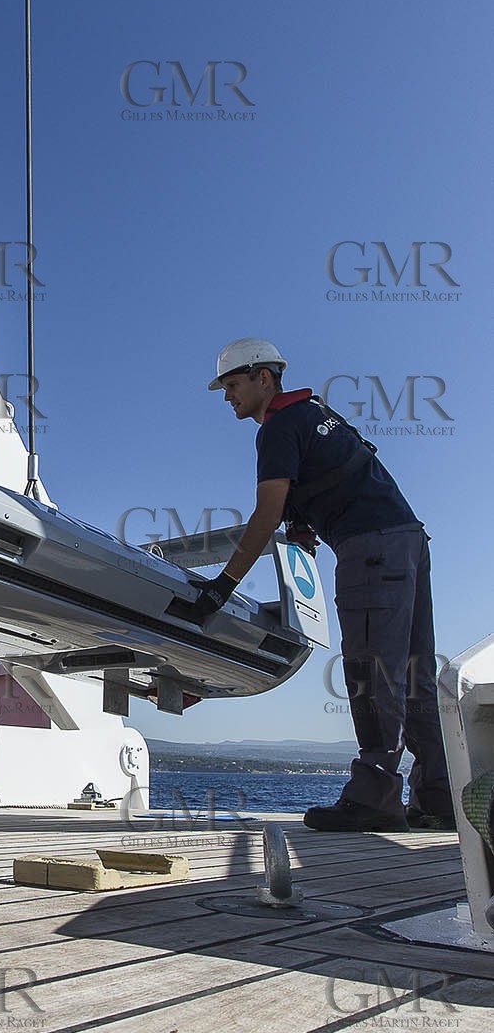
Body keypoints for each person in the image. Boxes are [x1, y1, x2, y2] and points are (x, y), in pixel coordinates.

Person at [194, 338, 453, 834]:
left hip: (370, 548)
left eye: (232, 384)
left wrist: (223, 585)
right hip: (409, 541)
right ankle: (439, 799)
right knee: (414, 673)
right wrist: (306, 524)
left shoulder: (277, 428)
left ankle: (375, 796)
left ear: (263, 378)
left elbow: (267, 510)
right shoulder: (315, 413)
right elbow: (332, 476)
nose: (227, 396)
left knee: (372, 667)